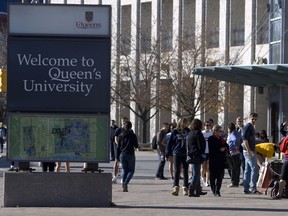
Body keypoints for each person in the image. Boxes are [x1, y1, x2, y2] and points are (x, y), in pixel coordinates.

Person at [165, 117, 190, 196]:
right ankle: (176, 187)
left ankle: (185, 187)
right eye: (187, 123)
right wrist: (167, 153)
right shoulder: (175, 131)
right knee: (177, 170)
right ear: (183, 123)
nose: (188, 124)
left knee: (185, 170)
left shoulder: (188, 131)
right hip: (177, 153)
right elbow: (170, 143)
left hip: (185, 153)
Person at [242, 112, 261, 194]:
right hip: (248, 151)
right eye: (252, 119)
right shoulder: (248, 127)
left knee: (248, 169)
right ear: (249, 118)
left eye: (255, 119)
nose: (254, 120)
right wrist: (249, 151)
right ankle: (253, 188)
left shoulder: (251, 127)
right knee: (255, 169)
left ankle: (246, 188)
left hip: (250, 150)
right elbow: (245, 140)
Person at [187, 119, 206, 197]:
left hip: (192, 154)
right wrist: (202, 152)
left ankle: (198, 190)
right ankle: (191, 189)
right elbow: (200, 144)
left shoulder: (190, 133)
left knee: (196, 172)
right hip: (197, 155)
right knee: (196, 174)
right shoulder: (198, 133)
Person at [119, 121, 139, 192]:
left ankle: (123, 187)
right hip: (130, 153)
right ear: (131, 127)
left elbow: (119, 146)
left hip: (122, 154)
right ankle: (126, 183)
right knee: (131, 170)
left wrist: (117, 156)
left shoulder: (121, 135)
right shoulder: (133, 135)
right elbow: (136, 145)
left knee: (125, 170)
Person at [208, 125, 228, 197]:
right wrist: (220, 149)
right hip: (213, 159)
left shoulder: (221, 139)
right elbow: (212, 148)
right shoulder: (211, 138)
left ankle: (217, 190)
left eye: (221, 131)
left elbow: (227, 146)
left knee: (220, 176)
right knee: (213, 176)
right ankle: (214, 190)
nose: (220, 133)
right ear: (215, 131)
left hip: (221, 160)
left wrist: (224, 148)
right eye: (219, 131)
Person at [112, 117, 129, 183]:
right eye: (123, 122)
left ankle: (123, 177)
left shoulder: (128, 130)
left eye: (126, 122)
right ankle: (114, 177)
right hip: (118, 148)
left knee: (124, 163)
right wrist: (119, 145)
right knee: (116, 162)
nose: (124, 124)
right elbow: (116, 139)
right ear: (121, 122)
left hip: (125, 149)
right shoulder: (118, 130)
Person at [227, 122, 242, 187]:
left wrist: (232, 146)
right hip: (238, 153)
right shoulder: (238, 133)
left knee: (231, 168)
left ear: (229, 128)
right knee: (237, 168)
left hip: (232, 152)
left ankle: (233, 182)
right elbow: (241, 139)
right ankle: (236, 181)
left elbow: (235, 140)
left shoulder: (232, 134)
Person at [273, 133, 288, 199]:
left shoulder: (287, 138)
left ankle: (279, 194)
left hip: (287, 160)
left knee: (283, 178)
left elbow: (282, 149)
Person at [201, 121, 213, 187]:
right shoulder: (202, 133)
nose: (207, 126)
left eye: (208, 125)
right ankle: (202, 178)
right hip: (203, 152)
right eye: (206, 125)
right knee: (203, 167)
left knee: (208, 167)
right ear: (204, 126)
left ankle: (207, 181)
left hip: (209, 152)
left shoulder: (211, 133)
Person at [236, 117, 245, 185]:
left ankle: (244, 179)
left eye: (241, 121)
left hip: (242, 148)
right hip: (236, 149)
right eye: (238, 121)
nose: (239, 122)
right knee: (237, 164)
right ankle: (237, 179)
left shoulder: (244, 129)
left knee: (243, 164)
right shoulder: (236, 129)